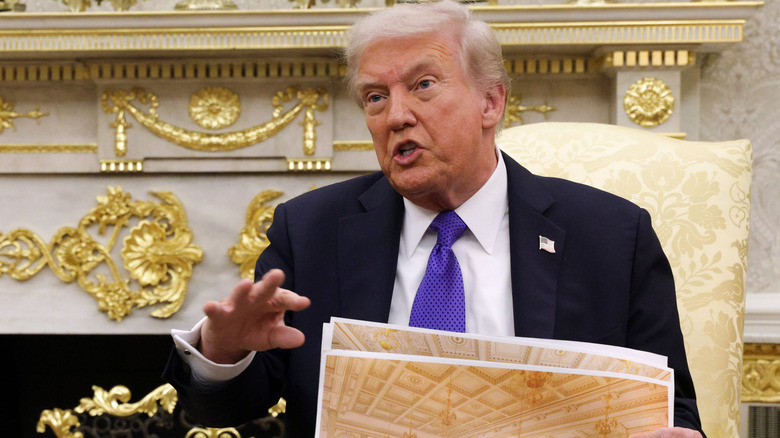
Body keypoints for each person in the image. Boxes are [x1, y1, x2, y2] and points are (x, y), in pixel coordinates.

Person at [165, 1, 704, 437]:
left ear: (491, 102)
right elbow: (219, 413)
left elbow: (671, 408)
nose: (396, 115)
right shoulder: (310, 232)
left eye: (423, 85)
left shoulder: (610, 237)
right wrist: (224, 349)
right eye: (375, 97)